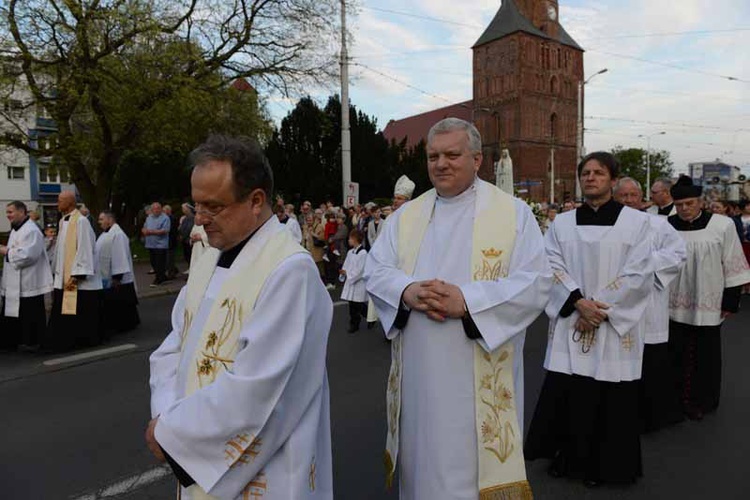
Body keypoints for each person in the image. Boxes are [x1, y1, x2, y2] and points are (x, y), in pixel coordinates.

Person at [365, 118, 550, 499]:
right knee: (422, 469)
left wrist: (467, 301)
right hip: (419, 373)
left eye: (452, 154)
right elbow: (376, 269)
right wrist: (407, 290)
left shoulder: (513, 214)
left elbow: (535, 282)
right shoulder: (406, 216)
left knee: (470, 470)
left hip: (475, 371)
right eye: (433, 156)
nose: (441, 163)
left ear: (478, 159)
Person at [147, 135, 333, 499]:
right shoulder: (209, 259)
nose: (200, 221)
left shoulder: (288, 270)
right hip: (191, 438)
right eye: (196, 205)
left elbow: (260, 387)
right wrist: (166, 418)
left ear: (256, 201)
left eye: (213, 207)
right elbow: (174, 347)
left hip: (266, 471)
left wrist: (174, 433)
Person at [525, 152, 654, 487]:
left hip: (611, 326)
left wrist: (597, 310)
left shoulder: (637, 223)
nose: (591, 178)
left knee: (611, 396)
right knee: (573, 393)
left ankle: (609, 466)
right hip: (573, 318)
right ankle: (569, 459)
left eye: (599, 172)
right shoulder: (562, 224)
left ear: (613, 180)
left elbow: (639, 273)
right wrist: (577, 302)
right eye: (586, 173)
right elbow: (548, 265)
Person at [667, 176, 750, 420]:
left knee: (705, 356)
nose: (684, 209)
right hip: (671, 303)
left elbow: (734, 262)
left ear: (700, 201)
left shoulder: (721, 225)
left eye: (689, 203)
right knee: (674, 353)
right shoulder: (666, 226)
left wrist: (730, 301)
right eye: (679, 204)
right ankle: (674, 400)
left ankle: (702, 400)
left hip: (708, 301)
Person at [613, 178, 687, 432]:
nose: (629, 200)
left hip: (649, 304)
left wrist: (643, 264)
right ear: (615, 197)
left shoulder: (659, 224)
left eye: (634, 195)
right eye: (623, 195)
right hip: (616, 304)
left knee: (651, 363)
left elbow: (678, 254)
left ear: (642, 197)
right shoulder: (607, 226)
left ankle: (651, 417)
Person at [44, 191, 103, 352]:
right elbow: (60, 249)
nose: (57, 203)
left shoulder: (81, 221)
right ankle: (63, 339)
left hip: (77, 277)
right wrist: (55, 268)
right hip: (63, 275)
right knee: (63, 309)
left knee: (76, 310)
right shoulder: (63, 221)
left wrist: (78, 272)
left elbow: (85, 246)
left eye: (60, 200)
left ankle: (78, 340)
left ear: (69, 203)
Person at [0, 201, 53, 351]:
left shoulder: (31, 230)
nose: (7, 215)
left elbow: (28, 256)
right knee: (13, 313)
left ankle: (33, 342)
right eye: (7, 212)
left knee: (30, 313)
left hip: (28, 281)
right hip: (14, 281)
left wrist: (5, 251)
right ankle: (13, 341)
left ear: (22, 212)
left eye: (10, 212)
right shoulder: (17, 230)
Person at [96, 210, 140, 335]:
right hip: (108, 274)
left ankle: (126, 325)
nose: (99, 222)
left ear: (110, 220)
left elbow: (119, 256)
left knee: (122, 303)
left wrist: (117, 277)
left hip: (118, 276)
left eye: (101, 219)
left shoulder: (118, 234)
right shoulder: (106, 234)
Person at [340, 229, 367, 334]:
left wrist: (348, 274)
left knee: (359, 305)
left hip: (358, 282)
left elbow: (360, 270)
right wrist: (343, 272)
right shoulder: (350, 252)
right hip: (351, 281)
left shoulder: (363, 253)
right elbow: (346, 265)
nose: (349, 240)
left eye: (350, 238)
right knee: (352, 305)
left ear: (356, 239)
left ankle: (371, 318)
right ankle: (354, 324)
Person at [142, 202, 171, 286]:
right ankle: (163, 276)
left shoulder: (165, 218)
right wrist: (143, 230)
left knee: (159, 263)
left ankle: (158, 279)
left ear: (161, 209)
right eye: (154, 209)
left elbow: (165, 230)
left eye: (158, 208)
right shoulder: (149, 217)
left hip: (161, 245)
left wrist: (150, 232)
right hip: (150, 244)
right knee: (153, 262)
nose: (156, 210)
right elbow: (144, 227)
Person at [164, 205, 180, 279]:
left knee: (170, 259)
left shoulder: (171, 219)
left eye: (164, 211)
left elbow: (172, 231)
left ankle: (171, 273)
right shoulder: (168, 218)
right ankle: (173, 270)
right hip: (169, 241)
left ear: (168, 211)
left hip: (171, 241)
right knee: (168, 258)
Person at [178, 203, 196, 271]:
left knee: (191, 256)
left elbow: (190, 228)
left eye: (184, 209)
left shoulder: (192, 218)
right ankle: (189, 268)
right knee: (187, 256)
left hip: (189, 240)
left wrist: (184, 235)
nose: (183, 210)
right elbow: (181, 228)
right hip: (185, 240)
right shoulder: (185, 218)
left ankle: (192, 270)